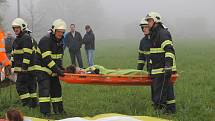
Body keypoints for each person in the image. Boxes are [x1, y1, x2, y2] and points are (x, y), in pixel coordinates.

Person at [145, 12, 177, 114]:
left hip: (162, 69)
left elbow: (169, 50)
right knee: (164, 92)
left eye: (149, 21)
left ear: (155, 21)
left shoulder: (162, 33)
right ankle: (170, 111)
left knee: (159, 94)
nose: (148, 23)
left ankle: (160, 113)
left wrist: (168, 65)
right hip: (156, 69)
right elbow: (152, 54)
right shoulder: (154, 34)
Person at [36, 19, 66, 116]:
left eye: (62, 32)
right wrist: (58, 70)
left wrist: (61, 68)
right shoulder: (46, 40)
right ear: (54, 30)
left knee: (57, 89)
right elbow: (47, 59)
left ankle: (59, 111)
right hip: (42, 69)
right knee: (45, 90)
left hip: (53, 69)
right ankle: (45, 113)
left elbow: (58, 58)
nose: (60, 34)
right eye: (59, 32)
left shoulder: (60, 41)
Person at [11, 18, 37, 108]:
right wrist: (11, 65)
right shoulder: (18, 39)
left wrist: (24, 67)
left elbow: (27, 54)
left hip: (25, 69)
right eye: (14, 28)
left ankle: (27, 104)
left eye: (17, 27)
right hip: (26, 69)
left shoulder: (25, 38)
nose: (15, 29)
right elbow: (14, 54)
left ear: (22, 27)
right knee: (31, 87)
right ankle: (33, 104)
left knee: (20, 86)